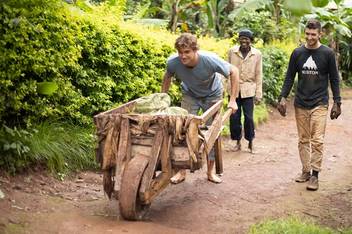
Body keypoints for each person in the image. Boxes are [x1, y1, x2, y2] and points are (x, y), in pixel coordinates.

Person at [161, 33, 240, 184]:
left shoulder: (209, 60)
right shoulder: (173, 62)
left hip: (212, 95)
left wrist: (233, 100)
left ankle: (210, 172)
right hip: (190, 94)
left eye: (187, 52)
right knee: (182, 130)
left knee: (212, 132)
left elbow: (234, 71)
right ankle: (181, 171)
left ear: (195, 50)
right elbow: (167, 76)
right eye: (180, 52)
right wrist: (162, 98)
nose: (183, 56)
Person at [277, 18, 341, 191]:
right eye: (307, 34)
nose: (310, 37)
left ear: (320, 34)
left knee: (317, 140)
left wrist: (337, 102)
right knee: (303, 140)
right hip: (301, 103)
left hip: (320, 102)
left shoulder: (327, 53)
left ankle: (315, 175)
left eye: (313, 34)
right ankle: (305, 170)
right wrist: (282, 97)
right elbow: (290, 76)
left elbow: (334, 79)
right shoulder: (297, 53)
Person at [227, 29, 262, 153]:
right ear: (238, 39)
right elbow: (227, 69)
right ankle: (237, 142)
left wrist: (258, 93)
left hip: (249, 90)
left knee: (249, 118)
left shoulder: (257, 54)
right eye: (242, 38)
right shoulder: (232, 51)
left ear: (250, 41)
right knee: (234, 118)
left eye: (246, 39)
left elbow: (258, 74)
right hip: (234, 90)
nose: (244, 41)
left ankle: (251, 142)